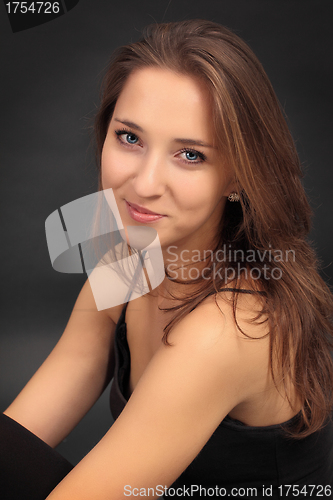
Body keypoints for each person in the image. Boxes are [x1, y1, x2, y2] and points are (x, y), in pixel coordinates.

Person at [1, 19, 333, 500]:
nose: (145, 183)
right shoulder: (126, 250)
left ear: (239, 176)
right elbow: (27, 428)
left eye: (190, 155)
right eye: (130, 139)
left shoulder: (229, 328)